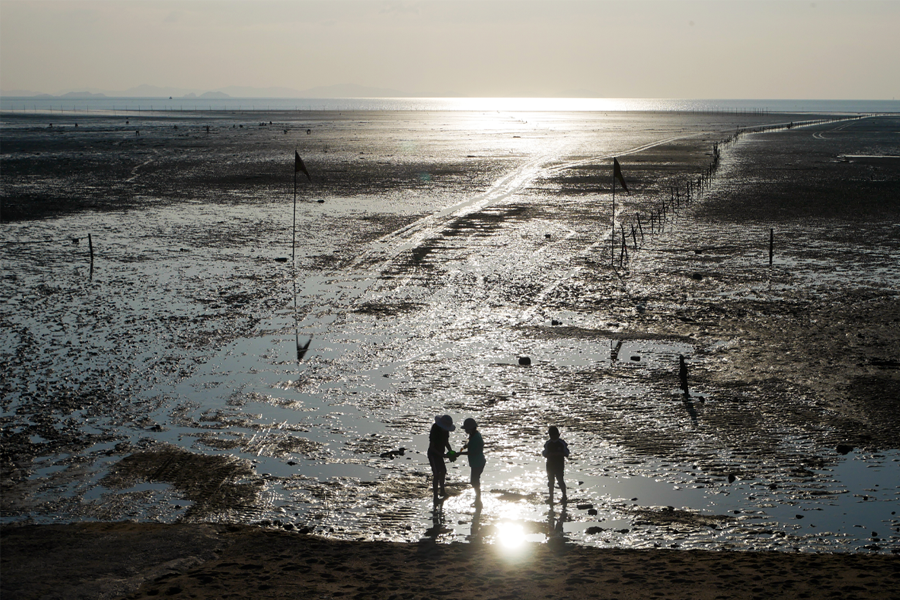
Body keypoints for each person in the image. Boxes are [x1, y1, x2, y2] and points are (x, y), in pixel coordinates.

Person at [458, 418, 486, 507]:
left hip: (477, 463)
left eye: (466, 429)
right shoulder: (474, 435)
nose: (465, 430)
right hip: (477, 462)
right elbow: (470, 444)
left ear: (471, 428)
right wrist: (465, 446)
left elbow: (472, 452)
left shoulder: (476, 438)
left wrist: (460, 453)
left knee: (474, 482)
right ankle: (477, 499)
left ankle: (478, 500)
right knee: (475, 481)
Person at [428, 415, 455, 500]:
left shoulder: (446, 431)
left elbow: (446, 442)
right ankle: (435, 495)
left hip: (440, 453)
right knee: (436, 474)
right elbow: (432, 447)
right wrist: (442, 455)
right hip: (433, 454)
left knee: (443, 471)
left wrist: (450, 451)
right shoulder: (435, 429)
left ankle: (442, 490)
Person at [542, 426, 569, 504]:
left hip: (559, 465)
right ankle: (551, 497)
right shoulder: (548, 443)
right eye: (552, 435)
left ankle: (564, 496)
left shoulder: (561, 443)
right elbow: (544, 453)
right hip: (550, 465)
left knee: (560, 480)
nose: (553, 437)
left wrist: (558, 454)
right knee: (551, 481)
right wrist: (550, 454)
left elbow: (566, 453)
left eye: (555, 435)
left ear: (558, 434)